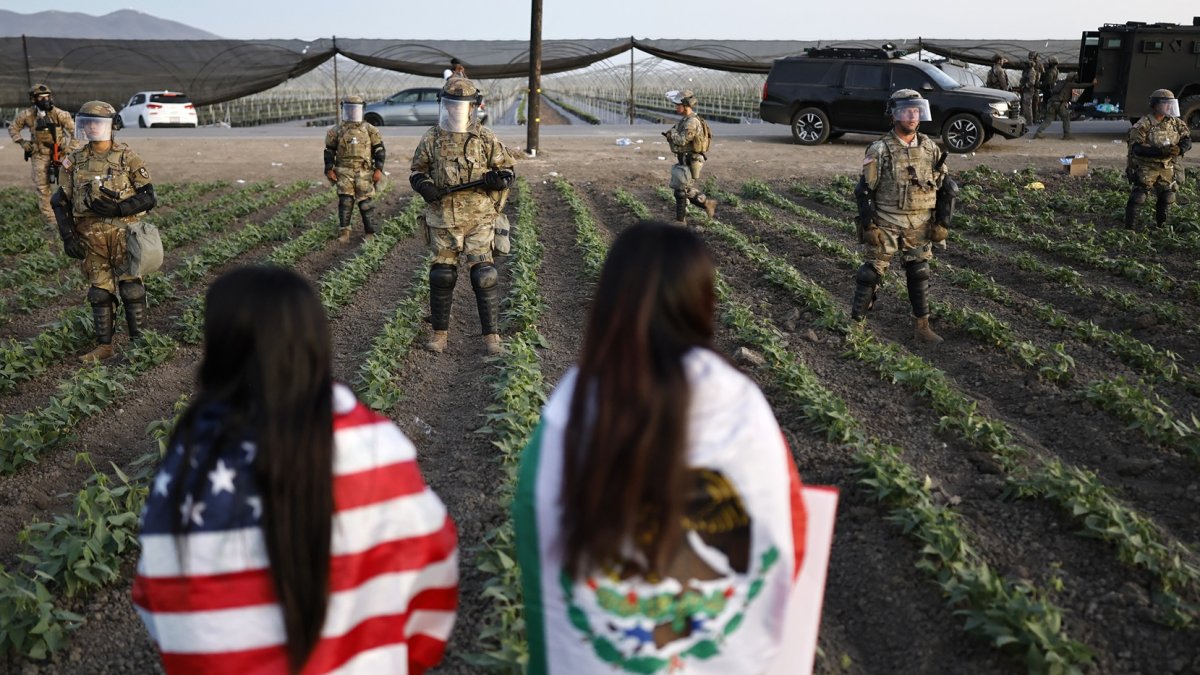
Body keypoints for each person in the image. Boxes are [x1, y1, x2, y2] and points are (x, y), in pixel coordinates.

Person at [132, 266, 458, 674]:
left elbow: (158, 596)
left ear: (218, 348)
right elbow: (433, 565)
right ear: (315, 340)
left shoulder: (191, 459)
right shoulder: (374, 447)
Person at [514, 222, 807, 674]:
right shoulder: (742, 409)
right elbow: (790, 530)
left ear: (610, 303)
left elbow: (537, 536)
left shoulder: (571, 412)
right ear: (701, 301)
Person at [410, 76, 515, 355]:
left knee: (484, 274)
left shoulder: (485, 137)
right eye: (451, 105)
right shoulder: (432, 138)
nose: (456, 110)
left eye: (462, 105)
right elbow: (416, 171)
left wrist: (498, 180)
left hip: (479, 217)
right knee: (442, 275)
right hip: (443, 217)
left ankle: (492, 338)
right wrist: (424, 186)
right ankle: (439, 335)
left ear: (472, 107)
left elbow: (508, 171)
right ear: (444, 106)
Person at [51, 100, 156, 362]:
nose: (92, 128)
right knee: (99, 292)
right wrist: (68, 237)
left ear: (112, 127)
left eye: (98, 123)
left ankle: (138, 345)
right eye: (87, 123)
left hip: (123, 235)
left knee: (131, 288)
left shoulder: (128, 157)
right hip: (90, 238)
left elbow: (148, 196)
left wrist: (119, 209)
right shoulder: (73, 161)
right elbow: (60, 201)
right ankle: (104, 347)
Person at [851, 89, 956, 344]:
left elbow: (946, 185)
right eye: (907, 110)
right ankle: (855, 327)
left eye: (916, 110)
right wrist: (869, 224)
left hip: (919, 222)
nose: (913, 116)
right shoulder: (880, 149)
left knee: (919, 272)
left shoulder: (930, 147)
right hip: (887, 221)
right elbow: (864, 189)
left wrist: (943, 222)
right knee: (871, 274)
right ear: (894, 115)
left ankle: (922, 327)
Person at [8, 83, 79, 232]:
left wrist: (69, 149)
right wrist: (22, 142)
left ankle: (72, 214)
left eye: (48, 97)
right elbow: (13, 128)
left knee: (69, 183)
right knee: (42, 187)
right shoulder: (27, 115)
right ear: (34, 99)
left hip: (60, 155)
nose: (45, 100)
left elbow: (75, 132)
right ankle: (50, 220)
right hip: (39, 155)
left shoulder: (60, 114)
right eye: (41, 97)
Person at [1124, 89, 1191, 229]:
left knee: (1167, 197)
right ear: (1155, 105)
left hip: (1167, 166)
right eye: (1165, 104)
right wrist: (1159, 152)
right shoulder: (1144, 124)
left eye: (1171, 104)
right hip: (1146, 167)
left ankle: (1162, 226)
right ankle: (1130, 229)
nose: (1169, 107)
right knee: (1138, 197)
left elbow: (1187, 140)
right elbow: (1136, 148)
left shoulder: (1176, 123)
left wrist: (1180, 149)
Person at [324, 94, 385, 243]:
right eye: (349, 109)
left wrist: (378, 169)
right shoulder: (336, 130)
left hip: (364, 172)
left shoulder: (370, 130)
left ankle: (369, 232)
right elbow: (329, 151)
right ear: (344, 109)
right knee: (345, 201)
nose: (352, 112)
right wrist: (329, 169)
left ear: (361, 110)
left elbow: (379, 150)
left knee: (365, 203)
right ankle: (344, 232)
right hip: (344, 171)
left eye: (355, 109)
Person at [663, 89, 716, 226]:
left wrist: (672, 134)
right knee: (684, 189)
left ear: (685, 105)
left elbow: (681, 140)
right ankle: (707, 204)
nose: (676, 107)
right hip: (686, 158)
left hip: (691, 159)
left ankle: (680, 222)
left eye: (678, 105)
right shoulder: (686, 120)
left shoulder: (691, 122)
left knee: (680, 191)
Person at [1032, 59, 1074, 140]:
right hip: (1054, 97)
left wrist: (1040, 86)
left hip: (1049, 93)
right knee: (1064, 117)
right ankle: (1067, 135)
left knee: (1049, 116)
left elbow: (1048, 82)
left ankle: (1038, 131)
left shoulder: (1051, 72)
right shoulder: (1056, 71)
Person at [1019, 52, 1043, 125]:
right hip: (1032, 87)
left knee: (1032, 104)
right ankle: (1031, 119)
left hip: (1033, 87)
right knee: (1029, 104)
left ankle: (1033, 119)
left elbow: (1041, 74)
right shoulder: (1029, 66)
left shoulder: (1036, 65)